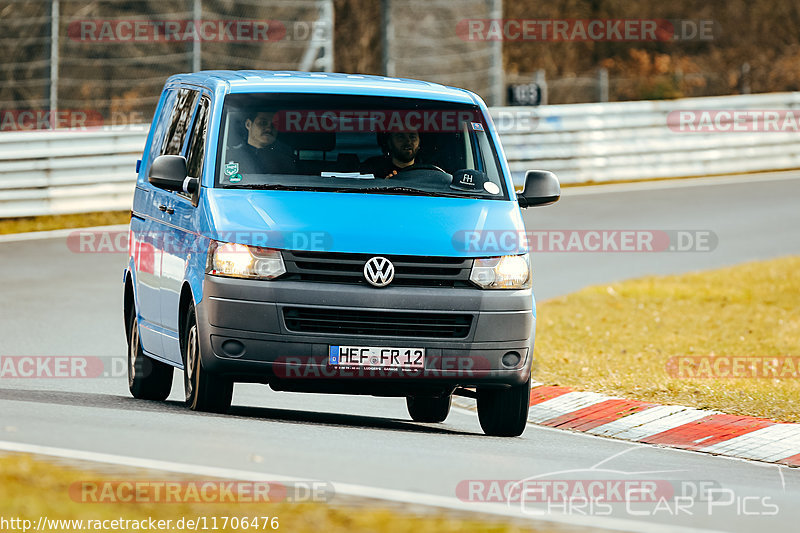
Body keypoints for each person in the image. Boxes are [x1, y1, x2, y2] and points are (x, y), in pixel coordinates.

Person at [225, 111, 295, 177]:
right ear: (248, 124)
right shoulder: (228, 157)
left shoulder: (285, 160)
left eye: (275, 124)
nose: (269, 129)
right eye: (263, 123)